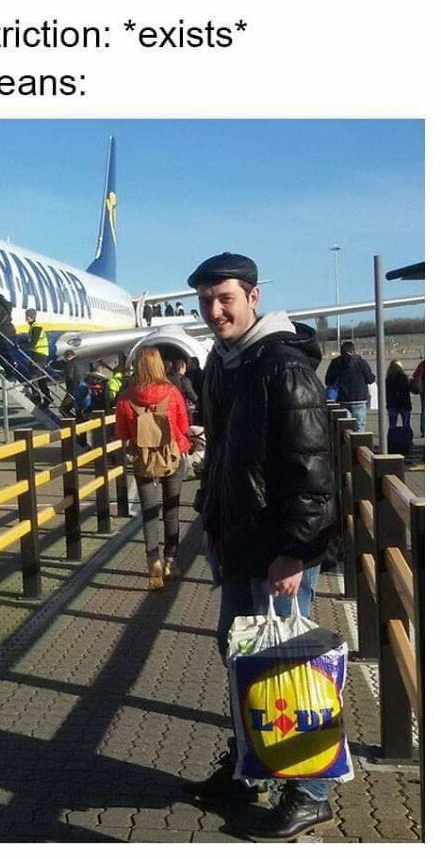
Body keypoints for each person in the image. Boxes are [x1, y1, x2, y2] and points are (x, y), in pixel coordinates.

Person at [185, 252, 336, 841]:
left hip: (279, 554)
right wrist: (212, 524)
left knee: (294, 673)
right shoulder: (225, 364)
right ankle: (250, 768)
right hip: (240, 545)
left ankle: (312, 790)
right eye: (205, 300)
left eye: (224, 298)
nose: (214, 310)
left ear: (252, 296)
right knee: (245, 662)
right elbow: (226, 457)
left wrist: (295, 552)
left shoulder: (282, 368)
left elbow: (311, 473)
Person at [115, 347, 190, 589]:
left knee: (149, 513)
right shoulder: (172, 392)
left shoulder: (126, 398)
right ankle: (171, 560)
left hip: (143, 459)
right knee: (172, 509)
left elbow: (122, 433)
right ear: (160, 365)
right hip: (172, 456)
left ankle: (153, 564)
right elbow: (183, 425)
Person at [324, 341, 375, 433]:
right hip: (359, 399)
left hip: (342, 400)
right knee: (359, 427)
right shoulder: (361, 362)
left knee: (345, 429)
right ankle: (359, 445)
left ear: (341, 351)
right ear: (353, 350)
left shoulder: (336, 363)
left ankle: (347, 446)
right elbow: (370, 379)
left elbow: (328, 381)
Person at [25, 308, 52, 405]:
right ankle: (47, 398)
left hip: (39, 355)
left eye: (27, 316)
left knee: (33, 376)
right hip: (39, 354)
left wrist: (21, 346)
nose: (26, 318)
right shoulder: (33, 326)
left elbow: (33, 343)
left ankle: (37, 397)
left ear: (30, 316)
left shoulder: (36, 327)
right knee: (40, 378)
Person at [0, 293, 18, 377]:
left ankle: (9, 368)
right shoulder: (7, 306)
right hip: (10, 329)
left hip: (4, 329)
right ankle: (11, 365)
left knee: (1, 351)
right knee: (5, 350)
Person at [386, 360, 412, 428]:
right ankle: (406, 437)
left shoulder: (388, 378)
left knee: (392, 424)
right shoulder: (403, 377)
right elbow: (407, 389)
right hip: (404, 403)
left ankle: (392, 437)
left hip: (392, 403)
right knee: (406, 424)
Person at [411, 358, 425, 436]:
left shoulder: (422, 364)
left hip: (423, 390)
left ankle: (423, 430)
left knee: (424, 410)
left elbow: (415, 375)